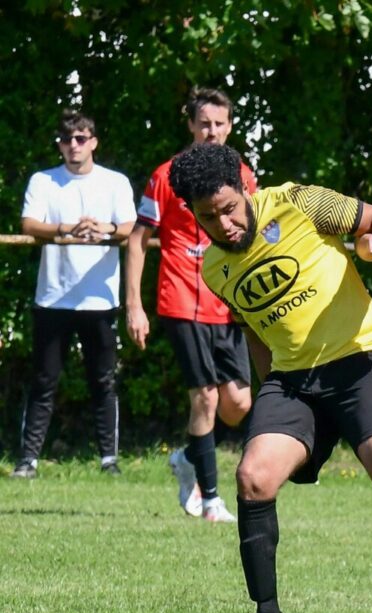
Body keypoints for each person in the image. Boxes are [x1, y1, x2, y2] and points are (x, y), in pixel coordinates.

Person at [167, 142, 372, 613]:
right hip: (293, 381)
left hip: (359, 359)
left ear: (245, 189)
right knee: (253, 477)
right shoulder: (214, 269)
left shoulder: (296, 202)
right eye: (209, 217)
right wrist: (267, 395)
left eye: (229, 208)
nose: (224, 224)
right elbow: (255, 331)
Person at [125, 87, 255, 522]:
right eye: (204, 124)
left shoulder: (243, 175)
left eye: (219, 124)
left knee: (238, 404)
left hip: (229, 303)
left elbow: (254, 233)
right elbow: (138, 240)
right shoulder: (165, 176)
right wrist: (134, 305)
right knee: (205, 398)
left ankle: (187, 456)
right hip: (182, 298)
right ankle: (211, 499)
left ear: (230, 127)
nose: (211, 132)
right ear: (190, 126)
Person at [12, 110, 136, 478]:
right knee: (44, 381)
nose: (73, 146)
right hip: (53, 297)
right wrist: (67, 228)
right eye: (67, 140)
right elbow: (29, 223)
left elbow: (129, 226)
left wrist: (103, 227)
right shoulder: (43, 181)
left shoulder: (114, 182)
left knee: (103, 381)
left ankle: (109, 460)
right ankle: (28, 461)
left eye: (81, 139)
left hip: (99, 299)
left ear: (94, 142)